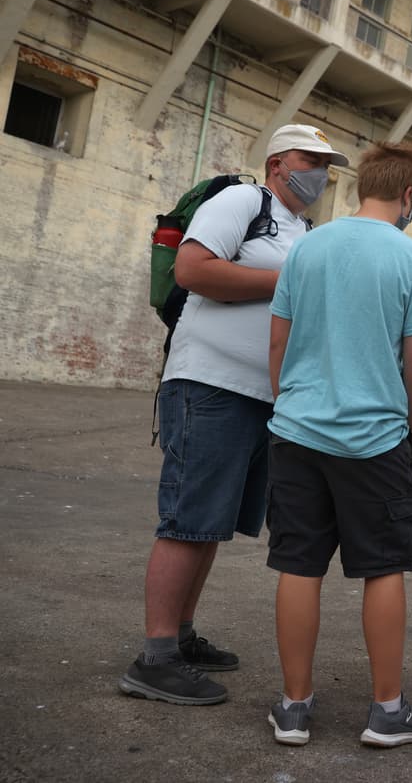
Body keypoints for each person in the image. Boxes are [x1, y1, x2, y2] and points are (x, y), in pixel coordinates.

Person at [119, 124, 347, 706]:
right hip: (210, 383)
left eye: (327, 163)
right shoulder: (245, 201)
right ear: (277, 162)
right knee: (188, 518)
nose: (320, 172)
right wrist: (288, 280)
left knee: (211, 523)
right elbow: (194, 271)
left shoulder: (304, 229)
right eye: (310, 159)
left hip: (262, 397)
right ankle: (155, 657)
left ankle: (182, 636)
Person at [263, 141, 412, 748]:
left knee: (298, 564)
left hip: (297, 432)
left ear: (361, 185)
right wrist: (410, 444)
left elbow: (278, 344)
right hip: (374, 439)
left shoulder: (307, 248)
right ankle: (386, 712)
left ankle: (293, 708)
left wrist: (289, 409)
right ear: (409, 197)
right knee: (384, 566)